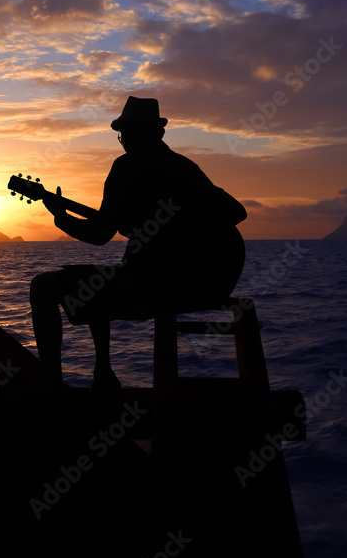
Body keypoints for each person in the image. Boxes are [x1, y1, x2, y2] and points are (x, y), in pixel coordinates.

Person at [29, 96, 248, 394]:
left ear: (130, 134)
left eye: (123, 135)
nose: (122, 142)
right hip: (213, 283)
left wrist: (60, 217)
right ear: (159, 133)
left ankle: (54, 386)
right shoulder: (185, 167)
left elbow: (99, 235)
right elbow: (237, 212)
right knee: (100, 278)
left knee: (43, 287)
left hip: (156, 286)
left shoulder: (126, 166)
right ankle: (103, 373)